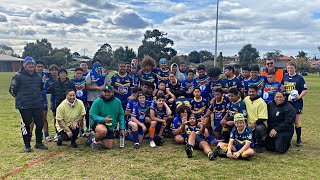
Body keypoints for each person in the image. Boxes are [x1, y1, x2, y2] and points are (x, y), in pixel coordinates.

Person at [9, 56, 48, 152]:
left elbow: (41, 88)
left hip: (37, 104)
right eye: (28, 64)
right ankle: (27, 144)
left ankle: (39, 142)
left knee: (40, 123)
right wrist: (20, 99)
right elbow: (12, 90)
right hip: (24, 106)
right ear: (24, 65)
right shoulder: (18, 76)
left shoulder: (39, 76)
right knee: (26, 125)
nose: (31, 66)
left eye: (32, 64)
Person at [90, 85, 125, 151]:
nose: (106, 94)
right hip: (98, 123)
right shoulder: (97, 101)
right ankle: (95, 141)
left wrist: (122, 128)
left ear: (112, 92)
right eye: (105, 92)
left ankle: (94, 137)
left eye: (109, 92)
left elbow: (121, 115)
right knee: (103, 131)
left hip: (110, 125)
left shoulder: (117, 102)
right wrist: (103, 119)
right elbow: (92, 115)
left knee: (109, 146)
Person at [282, 61, 308, 147]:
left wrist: (299, 97)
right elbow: (282, 86)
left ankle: (298, 139)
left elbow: (305, 90)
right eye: (288, 68)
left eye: (291, 68)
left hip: (297, 103)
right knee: (287, 120)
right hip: (287, 102)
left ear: (295, 69)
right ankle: (287, 138)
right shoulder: (285, 76)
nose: (290, 70)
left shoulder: (299, 78)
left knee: (297, 120)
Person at [51, 68, 75, 141]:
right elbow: (53, 93)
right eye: (61, 73)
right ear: (59, 74)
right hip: (58, 102)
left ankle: (70, 133)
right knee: (57, 118)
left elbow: (73, 93)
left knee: (68, 118)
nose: (63, 75)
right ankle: (57, 133)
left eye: (64, 73)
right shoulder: (55, 83)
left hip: (68, 103)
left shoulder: (71, 83)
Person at [243, 85, 268, 153]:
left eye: (253, 92)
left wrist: (254, 124)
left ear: (257, 92)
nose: (251, 93)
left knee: (259, 128)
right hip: (247, 123)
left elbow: (263, 118)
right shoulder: (246, 99)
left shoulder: (262, 103)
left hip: (258, 124)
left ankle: (258, 145)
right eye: (250, 91)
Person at [71, 67, 88, 136]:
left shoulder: (84, 80)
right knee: (74, 116)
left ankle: (82, 130)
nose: (79, 75)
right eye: (77, 73)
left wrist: (86, 100)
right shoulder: (71, 81)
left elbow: (87, 91)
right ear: (74, 73)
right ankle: (74, 130)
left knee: (82, 115)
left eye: (80, 73)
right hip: (74, 100)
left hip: (83, 100)